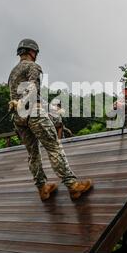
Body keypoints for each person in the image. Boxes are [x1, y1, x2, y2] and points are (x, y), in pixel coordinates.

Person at [7, 38, 92, 201]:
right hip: (33, 112)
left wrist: (51, 109)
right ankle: (73, 186)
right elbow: (32, 90)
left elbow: (21, 96)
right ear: (32, 52)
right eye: (36, 52)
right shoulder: (33, 67)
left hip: (18, 118)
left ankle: (42, 188)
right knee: (53, 147)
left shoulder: (12, 72)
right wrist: (25, 102)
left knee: (33, 154)